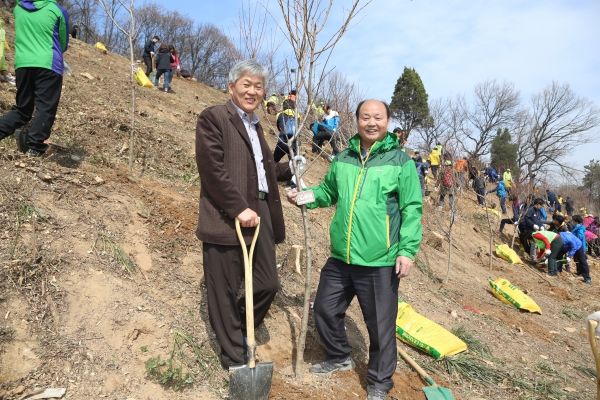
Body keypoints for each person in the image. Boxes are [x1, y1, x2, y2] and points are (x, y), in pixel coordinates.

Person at [286, 100, 423, 400]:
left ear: (387, 122)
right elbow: (327, 192)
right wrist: (304, 195)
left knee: (380, 327)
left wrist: (407, 250)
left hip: (380, 261)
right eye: (365, 117)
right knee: (323, 307)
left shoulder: (401, 162)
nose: (371, 122)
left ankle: (378, 383)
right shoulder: (343, 158)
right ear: (357, 121)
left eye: (378, 117)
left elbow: (412, 209)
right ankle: (339, 356)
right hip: (342, 256)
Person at [195, 60, 293, 370]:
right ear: (231, 86)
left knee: (267, 284)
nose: (252, 91)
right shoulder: (214, 118)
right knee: (223, 288)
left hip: (261, 210)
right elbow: (212, 169)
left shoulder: (255, 126)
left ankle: (235, 325)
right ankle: (235, 359)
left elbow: (264, 169)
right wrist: (238, 207)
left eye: (258, 86)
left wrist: (292, 169)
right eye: (246, 84)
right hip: (226, 214)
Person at [0, 0, 69, 157]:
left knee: (23, 109)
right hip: (48, 63)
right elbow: (63, 43)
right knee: (45, 107)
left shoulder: (18, 9)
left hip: (23, 64)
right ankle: (35, 148)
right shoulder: (57, 11)